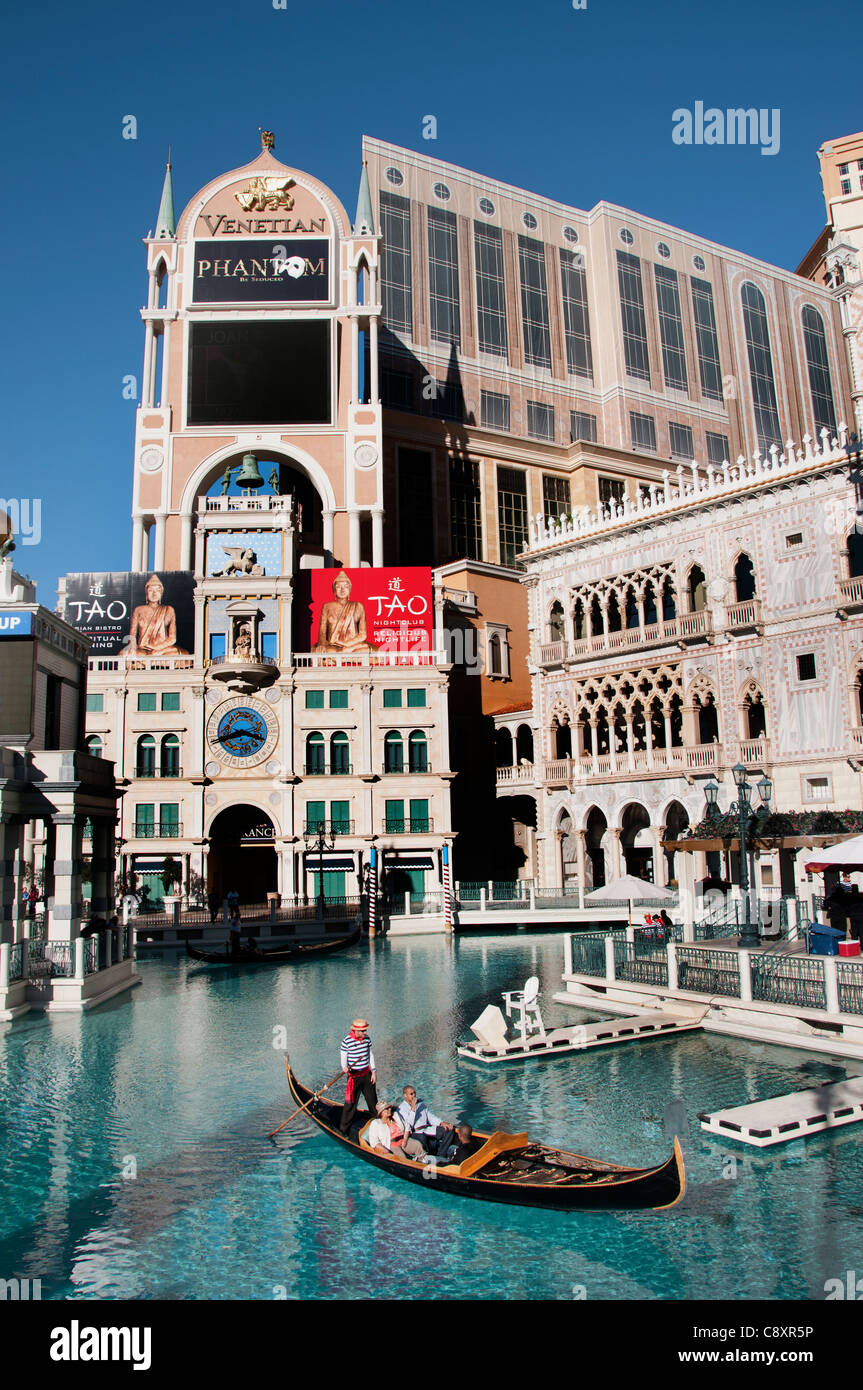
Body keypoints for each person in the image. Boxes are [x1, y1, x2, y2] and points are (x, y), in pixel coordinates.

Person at [314, 572, 377, 654]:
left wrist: (346, 644)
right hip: (333, 646)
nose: (342, 590)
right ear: (334, 590)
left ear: (350, 589)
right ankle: (342, 655)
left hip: (353, 645)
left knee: (370, 650)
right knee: (323, 651)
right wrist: (321, 644)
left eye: (345, 587)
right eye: (338, 587)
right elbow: (322, 631)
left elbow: (363, 635)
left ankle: (340, 655)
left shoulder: (358, 606)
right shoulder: (327, 606)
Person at [126, 574, 188, 657]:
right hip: (144, 649)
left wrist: (157, 648)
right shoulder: (138, 610)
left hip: (162, 649)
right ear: (146, 593)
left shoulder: (168, 609)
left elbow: (172, 638)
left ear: (161, 593)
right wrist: (133, 648)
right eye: (151, 590)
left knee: (180, 653)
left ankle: (150, 659)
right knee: (129, 654)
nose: (154, 593)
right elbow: (132, 635)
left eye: (157, 590)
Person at [339, 1018, 378, 1135]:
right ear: (355, 1031)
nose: (365, 1033)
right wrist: (344, 1067)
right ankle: (344, 1130)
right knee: (350, 1104)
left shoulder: (367, 1039)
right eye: (363, 1031)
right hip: (354, 1077)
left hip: (367, 1074)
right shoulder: (346, 1041)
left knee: (373, 1102)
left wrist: (374, 1072)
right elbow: (343, 1057)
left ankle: (378, 1124)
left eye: (365, 1030)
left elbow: (370, 1054)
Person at [397, 1085, 454, 1155]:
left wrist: (441, 1123)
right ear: (405, 1095)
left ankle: (441, 1154)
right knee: (423, 1138)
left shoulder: (421, 1104)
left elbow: (430, 1117)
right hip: (416, 1133)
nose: (414, 1095)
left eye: (414, 1093)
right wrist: (413, 1109)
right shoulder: (401, 1108)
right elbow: (409, 1125)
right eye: (411, 1094)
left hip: (427, 1129)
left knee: (449, 1130)